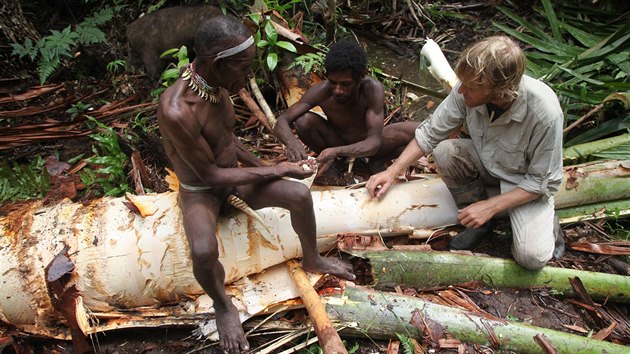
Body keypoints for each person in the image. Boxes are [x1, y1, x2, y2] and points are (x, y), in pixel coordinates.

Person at [157, 15, 355, 354]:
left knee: (297, 195)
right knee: (203, 251)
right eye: (243, 68)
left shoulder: (217, 87)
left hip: (234, 178)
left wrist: (267, 168)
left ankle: (312, 259)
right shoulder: (176, 110)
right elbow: (212, 176)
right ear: (217, 65)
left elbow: (226, 142)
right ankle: (222, 306)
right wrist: (276, 170)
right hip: (201, 191)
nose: (249, 76)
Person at [366, 36, 565, 270]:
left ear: (500, 89)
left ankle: (542, 221)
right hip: (489, 163)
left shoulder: (545, 113)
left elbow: (542, 181)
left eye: (471, 87)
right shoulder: (467, 89)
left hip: (525, 184)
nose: (461, 90)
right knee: (446, 151)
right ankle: (479, 221)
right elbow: (430, 133)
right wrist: (392, 171)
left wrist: (491, 207)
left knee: (531, 259)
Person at [274, 39, 418, 183]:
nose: (337, 90)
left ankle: (376, 162)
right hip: (336, 140)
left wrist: (337, 151)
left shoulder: (372, 89)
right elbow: (282, 121)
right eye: (333, 82)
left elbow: (374, 142)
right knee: (303, 121)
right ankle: (334, 165)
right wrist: (292, 143)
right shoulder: (321, 91)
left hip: (371, 145)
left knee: (419, 130)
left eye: (346, 84)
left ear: (360, 77)